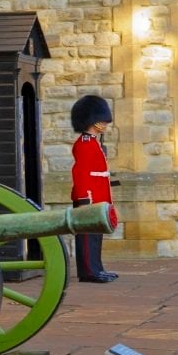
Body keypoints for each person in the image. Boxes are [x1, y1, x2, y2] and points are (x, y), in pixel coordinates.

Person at [70, 95, 119, 283]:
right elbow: (81, 172)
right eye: (101, 121)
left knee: (96, 236)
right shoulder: (83, 144)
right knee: (87, 237)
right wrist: (85, 198)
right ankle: (88, 272)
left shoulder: (92, 142)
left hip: (98, 195)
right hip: (88, 197)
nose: (104, 124)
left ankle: (97, 268)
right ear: (91, 121)